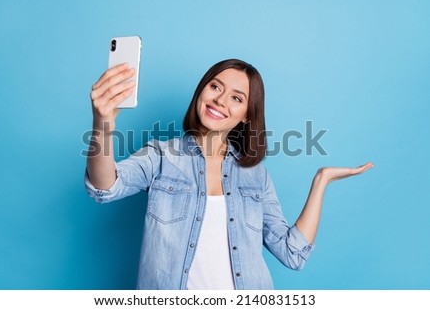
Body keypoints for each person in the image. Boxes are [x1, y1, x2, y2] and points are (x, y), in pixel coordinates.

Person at [85, 59, 373, 290]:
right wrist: (102, 122)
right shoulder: (161, 156)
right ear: (201, 91)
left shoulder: (256, 176)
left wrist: (320, 181)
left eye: (236, 97)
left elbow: (292, 253)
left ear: (247, 114)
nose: (220, 100)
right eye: (215, 87)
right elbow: (104, 188)